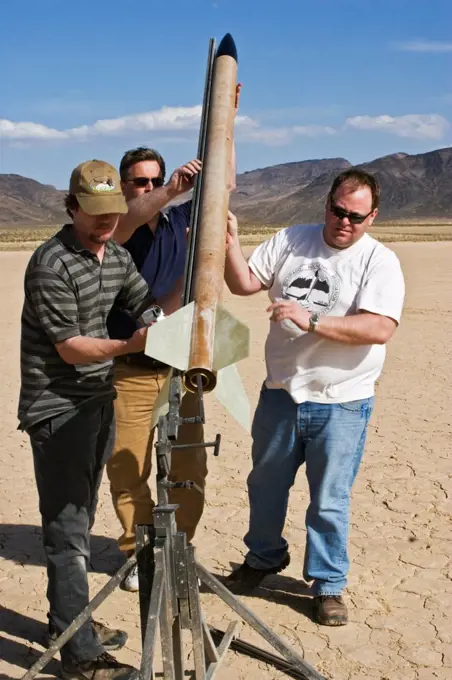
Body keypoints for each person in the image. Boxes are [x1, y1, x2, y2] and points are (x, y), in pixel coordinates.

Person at [223, 169, 405, 626]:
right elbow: (244, 282)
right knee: (265, 486)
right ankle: (262, 559)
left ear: (372, 217)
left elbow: (379, 327)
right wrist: (230, 241)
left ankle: (327, 585)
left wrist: (312, 321)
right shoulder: (291, 240)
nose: (345, 222)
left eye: (356, 216)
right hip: (281, 393)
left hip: (342, 401)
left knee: (328, 498)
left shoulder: (379, 262)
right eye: (338, 211)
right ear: (326, 204)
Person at [18, 160, 155, 679]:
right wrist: (130, 345)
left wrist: (157, 321)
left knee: (81, 518)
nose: (104, 222)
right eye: (93, 212)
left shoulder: (114, 255)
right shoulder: (50, 263)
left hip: (98, 402)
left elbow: (139, 299)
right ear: (71, 206)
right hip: (59, 408)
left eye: (111, 213)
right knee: (68, 532)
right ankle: (79, 657)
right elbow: (72, 349)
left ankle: (66, 625)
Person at [106, 131, 237, 591]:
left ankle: (177, 548)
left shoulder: (183, 221)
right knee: (128, 466)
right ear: (124, 187)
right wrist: (170, 188)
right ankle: (138, 553)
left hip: (182, 369)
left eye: (155, 179)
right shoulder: (116, 230)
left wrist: (228, 123)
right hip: (131, 370)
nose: (148, 187)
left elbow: (224, 183)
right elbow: (132, 215)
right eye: (140, 182)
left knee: (188, 469)